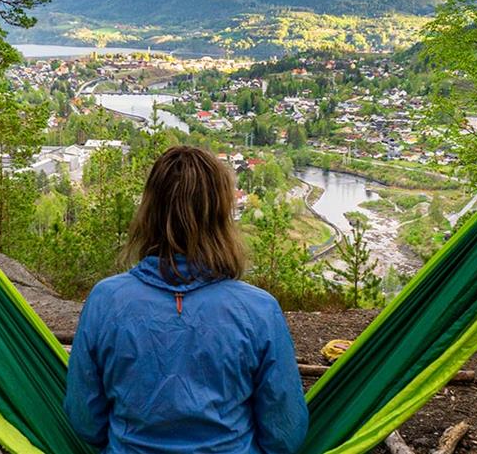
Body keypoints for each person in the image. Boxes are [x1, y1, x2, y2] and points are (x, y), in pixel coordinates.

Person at [64, 146, 308, 453]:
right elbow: (285, 434)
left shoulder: (106, 301)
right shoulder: (258, 310)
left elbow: (85, 421)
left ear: (149, 212)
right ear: (220, 217)